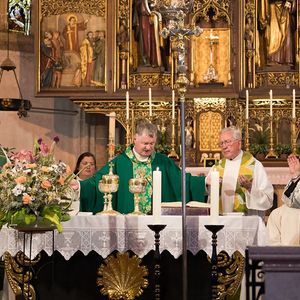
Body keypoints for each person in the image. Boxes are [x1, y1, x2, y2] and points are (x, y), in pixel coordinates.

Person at [79, 120, 206, 214]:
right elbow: (98, 181)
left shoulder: (162, 161)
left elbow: (182, 180)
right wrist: (79, 186)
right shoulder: (120, 162)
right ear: (135, 139)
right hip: (128, 220)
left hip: (157, 221)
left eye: (152, 143)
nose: (149, 147)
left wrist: (204, 182)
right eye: (145, 143)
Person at [208, 127, 274, 217]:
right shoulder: (216, 168)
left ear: (239, 143)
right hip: (220, 220)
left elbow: (268, 199)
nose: (224, 146)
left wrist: (250, 188)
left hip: (245, 221)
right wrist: (207, 184)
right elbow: (208, 195)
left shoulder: (255, 166)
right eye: (221, 143)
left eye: (227, 142)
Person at [267, 155, 300, 245]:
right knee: (276, 214)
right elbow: (288, 199)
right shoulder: (278, 214)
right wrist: (295, 176)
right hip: (291, 210)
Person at [257, 0, 297, 67]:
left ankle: (286, 59)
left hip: (285, 9)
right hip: (273, 8)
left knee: (286, 35)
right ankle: (273, 59)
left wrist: (289, 3)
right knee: (273, 36)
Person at [132, 0, 162, 67]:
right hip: (144, 18)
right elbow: (141, 8)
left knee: (153, 40)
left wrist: (154, 7)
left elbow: (159, 7)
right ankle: (146, 60)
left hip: (154, 20)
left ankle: (154, 61)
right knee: (145, 40)